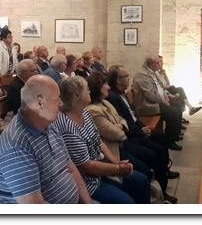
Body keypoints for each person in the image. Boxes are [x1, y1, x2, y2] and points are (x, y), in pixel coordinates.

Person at [0, 75, 92, 204]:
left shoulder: (48, 124)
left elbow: (70, 168)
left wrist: (89, 204)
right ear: (40, 103)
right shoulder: (16, 145)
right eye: (57, 100)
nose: (61, 104)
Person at [52, 76, 150, 204]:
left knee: (140, 180)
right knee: (126, 201)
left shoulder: (85, 113)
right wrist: (118, 170)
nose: (90, 92)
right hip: (87, 182)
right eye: (86, 89)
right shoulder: (67, 125)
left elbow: (97, 139)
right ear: (77, 96)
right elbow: (86, 166)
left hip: (100, 170)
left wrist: (116, 162)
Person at [89, 70, 177, 203]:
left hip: (126, 138)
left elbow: (123, 120)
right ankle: (155, 193)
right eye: (104, 84)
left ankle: (161, 184)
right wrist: (125, 127)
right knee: (149, 162)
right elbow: (117, 132)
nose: (107, 87)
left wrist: (124, 126)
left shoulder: (105, 102)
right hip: (119, 147)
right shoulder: (97, 107)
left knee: (161, 144)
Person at [132, 55, 183, 151]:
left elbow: (162, 87)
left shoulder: (153, 73)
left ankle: (174, 136)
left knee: (177, 105)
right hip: (146, 106)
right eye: (157, 63)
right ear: (151, 64)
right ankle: (170, 141)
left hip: (157, 101)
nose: (159, 64)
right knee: (173, 112)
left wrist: (167, 96)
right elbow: (150, 96)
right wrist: (164, 101)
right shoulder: (142, 75)